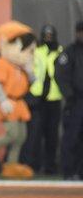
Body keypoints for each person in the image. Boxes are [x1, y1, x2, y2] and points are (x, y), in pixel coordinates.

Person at [0, 21, 36, 179]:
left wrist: (30, 72)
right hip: (8, 101)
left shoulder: (20, 67)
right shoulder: (0, 63)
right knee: (12, 134)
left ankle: (11, 165)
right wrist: (2, 101)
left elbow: (32, 83)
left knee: (21, 137)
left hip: (19, 103)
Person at [20, 25, 62, 175]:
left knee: (52, 135)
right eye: (46, 36)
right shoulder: (35, 52)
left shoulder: (61, 52)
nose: (48, 38)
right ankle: (33, 165)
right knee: (34, 134)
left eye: (50, 36)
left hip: (54, 98)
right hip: (37, 99)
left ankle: (50, 166)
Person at [54, 22, 83, 180]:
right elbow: (60, 75)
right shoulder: (69, 52)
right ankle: (69, 171)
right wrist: (70, 95)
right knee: (72, 136)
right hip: (76, 101)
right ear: (77, 33)